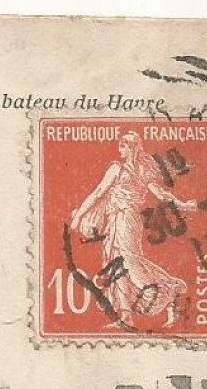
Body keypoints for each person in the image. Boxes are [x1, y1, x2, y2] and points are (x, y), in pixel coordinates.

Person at [69, 131, 199, 327]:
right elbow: (161, 194)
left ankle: (168, 288)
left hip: (125, 218)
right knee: (117, 263)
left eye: (123, 146)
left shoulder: (119, 168)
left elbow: (97, 193)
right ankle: (126, 316)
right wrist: (183, 205)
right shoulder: (142, 170)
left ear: (131, 148)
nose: (119, 149)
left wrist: (78, 216)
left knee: (128, 261)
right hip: (119, 219)